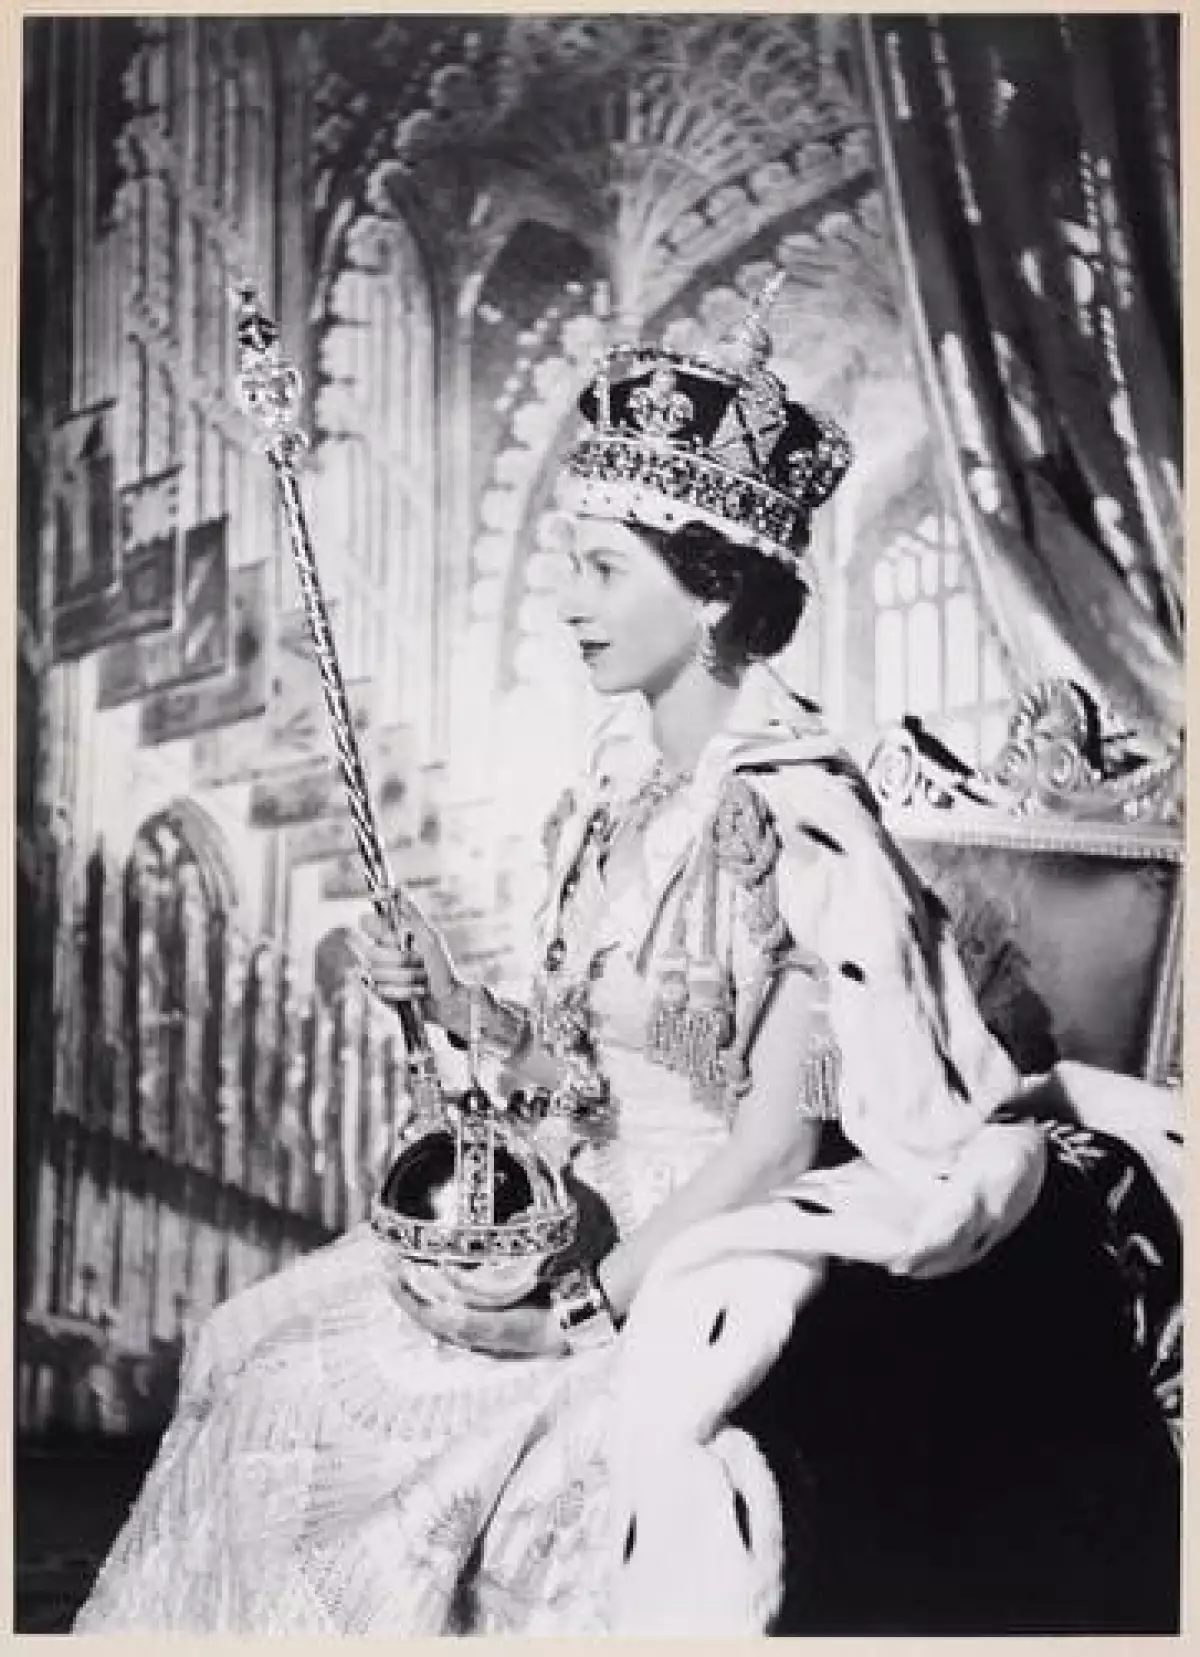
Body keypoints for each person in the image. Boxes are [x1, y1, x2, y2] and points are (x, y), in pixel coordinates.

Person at [74, 287, 1179, 1636]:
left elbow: (773, 1146)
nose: (568, 604)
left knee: (460, 1477)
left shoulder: (801, 828)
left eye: (601, 570)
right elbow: (582, 1067)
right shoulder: (612, 795)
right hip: (567, 1197)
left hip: (703, 1243)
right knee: (260, 1354)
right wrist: (459, 1003)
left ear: (711, 592)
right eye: (568, 567)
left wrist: (578, 1316)